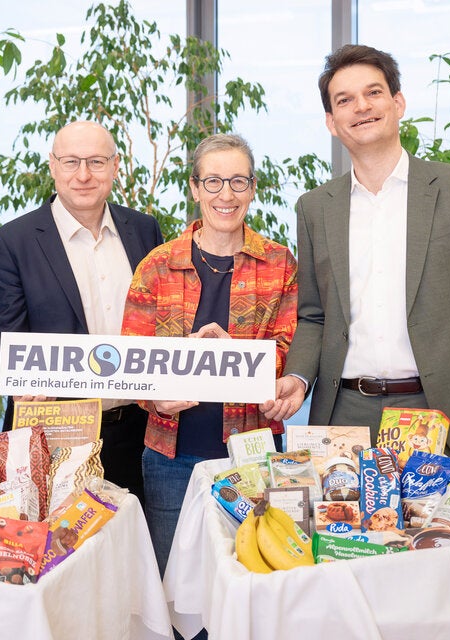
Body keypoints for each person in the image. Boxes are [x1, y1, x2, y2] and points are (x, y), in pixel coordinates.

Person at [262, 44, 450, 473]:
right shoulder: (314, 208)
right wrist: (299, 378)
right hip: (344, 415)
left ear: (397, 102)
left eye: (373, 93)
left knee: (440, 537)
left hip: (439, 412)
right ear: (331, 121)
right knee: (347, 538)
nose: (360, 107)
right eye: (344, 100)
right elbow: (314, 316)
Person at [121, 133, 298, 576]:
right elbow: (133, 356)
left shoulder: (279, 262)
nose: (226, 194)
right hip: (170, 456)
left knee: (256, 580)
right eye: (214, 182)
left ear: (253, 189)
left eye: (238, 182)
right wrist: (153, 398)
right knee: (176, 583)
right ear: (195, 188)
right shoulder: (156, 266)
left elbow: (290, 346)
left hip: (254, 452)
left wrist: (237, 356)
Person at [0, 120, 163, 502]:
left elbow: (162, 322)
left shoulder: (145, 230)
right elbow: (4, 337)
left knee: (134, 554)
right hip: (55, 433)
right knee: (57, 555)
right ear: (52, 165)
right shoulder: (11, 242)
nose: (83, 175)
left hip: (136, 430)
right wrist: (22, 378)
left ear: (115, 167)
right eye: (71, 162)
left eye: (97, 162)